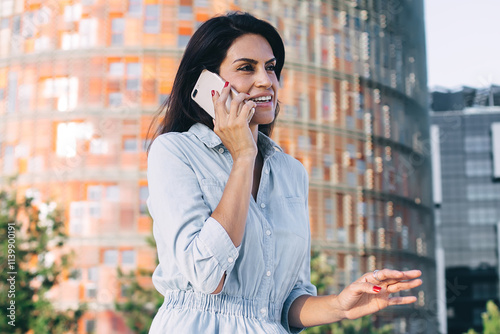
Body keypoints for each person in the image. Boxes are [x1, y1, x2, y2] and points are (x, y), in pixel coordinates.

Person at [146, 12, 422, 333]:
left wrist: (342, 305)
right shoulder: (174, 152)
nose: (267, 81)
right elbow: (207, 275)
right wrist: (244, 156)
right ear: (209, 85)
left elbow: (284, 303)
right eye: (246, 67)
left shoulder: (291, 172)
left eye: (271, 67)